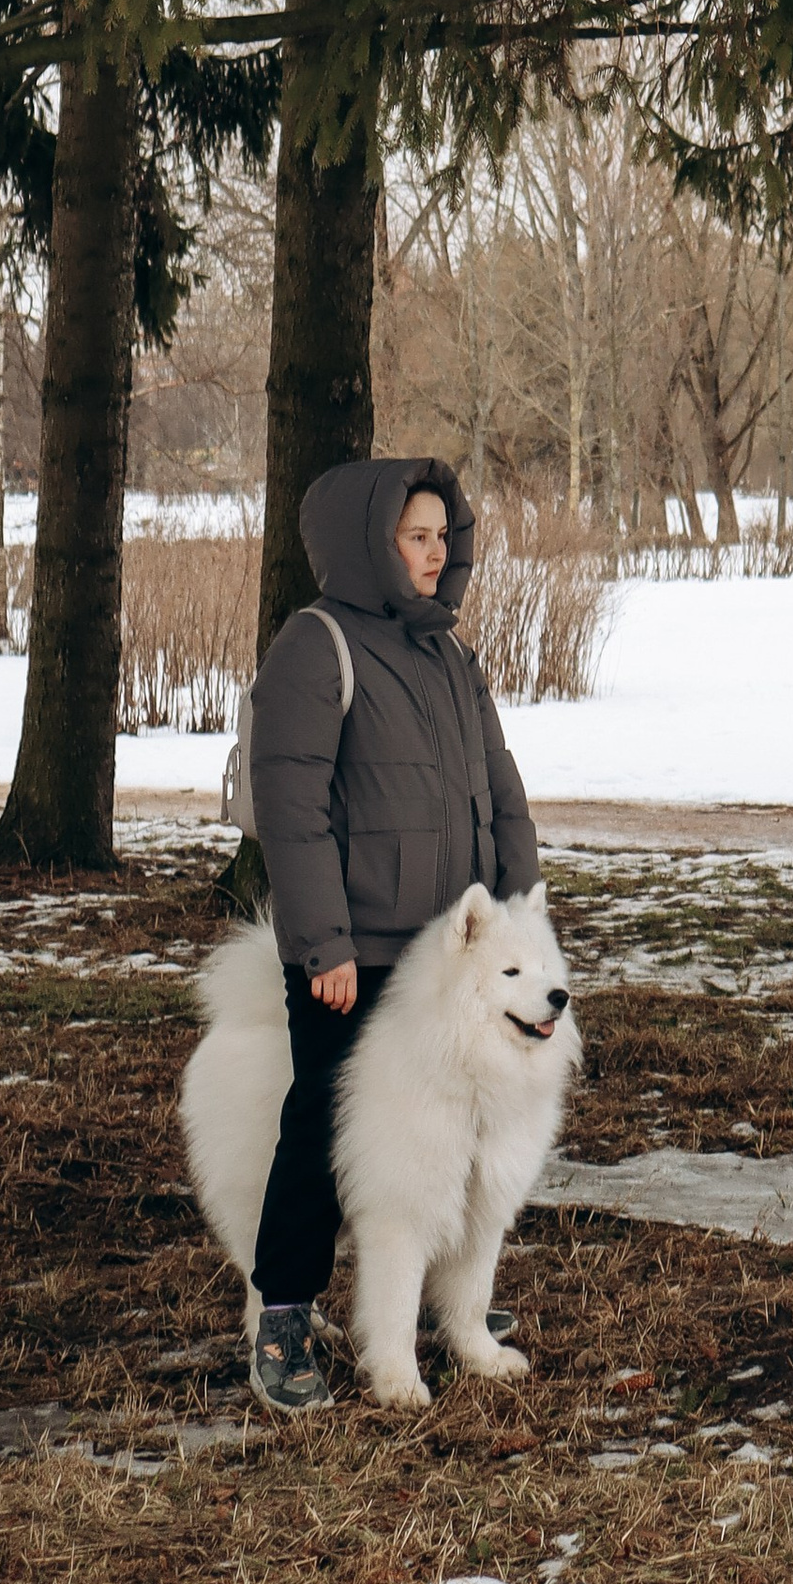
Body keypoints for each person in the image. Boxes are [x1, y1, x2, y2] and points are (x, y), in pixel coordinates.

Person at [244, 454, 542, 1412]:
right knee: (328, 1131)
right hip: (359, 957)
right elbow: (290, 808)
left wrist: (522, 908)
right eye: (416, 536)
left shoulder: (452, 657)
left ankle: (448, 1315)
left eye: (442, 536)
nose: (434, 551)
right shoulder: (316, 644)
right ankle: (284, 1315)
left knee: (455, 1145)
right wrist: (322, 943)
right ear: (369, 543)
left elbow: (499, 786)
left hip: (448, 964)